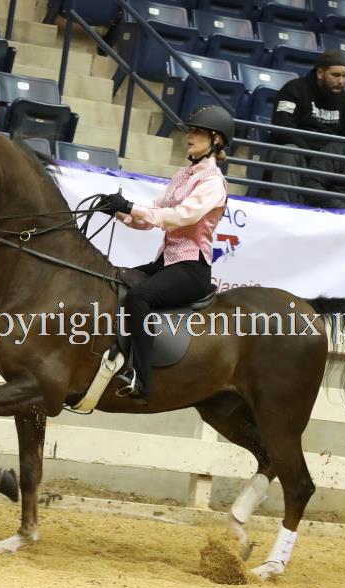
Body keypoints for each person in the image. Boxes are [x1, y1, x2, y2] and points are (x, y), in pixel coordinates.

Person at [99, 106, 232, 402]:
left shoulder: (213, 182)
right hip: (165, 262)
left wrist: (131, 207)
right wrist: (119, 211)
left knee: (139, 297)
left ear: (216, 140)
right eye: (190, 130)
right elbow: (153, 215)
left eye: (198, 132)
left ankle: (141, 379)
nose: (189, 136)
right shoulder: (182, 175)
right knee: (117, 279)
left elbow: (182, 217)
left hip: (191, 268)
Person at [268, 50, 345, 204]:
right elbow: (282, 127)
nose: (341, 81)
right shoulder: (294, 89)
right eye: (335, 75)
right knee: (289, 152)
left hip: (327, 162)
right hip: (297, 153)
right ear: (320, 73)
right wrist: (310, 154)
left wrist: (324, 160)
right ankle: (285, 210)